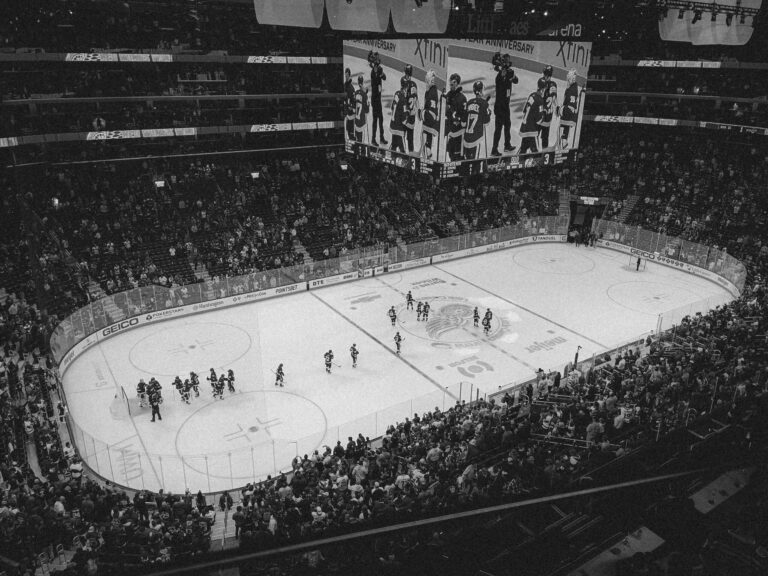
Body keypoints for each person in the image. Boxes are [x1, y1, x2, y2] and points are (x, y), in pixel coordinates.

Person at [491, 53, 518, 156]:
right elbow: (500, 81)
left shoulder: (509, 73)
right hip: (499, 106)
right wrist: (504, 75)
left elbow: (516, 80)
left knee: (508, 125)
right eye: (505, 63)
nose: (506, 66)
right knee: (498, 129)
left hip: (506, 105)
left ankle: (507, 145)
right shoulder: (499, 77)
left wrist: (512, 75)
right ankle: (494, 149)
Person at [463, 80, 491, 160]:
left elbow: (463, 123)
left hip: (466, 139)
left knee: (467, 163)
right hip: (476, 139)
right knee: (475, 163)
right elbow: (486, 123)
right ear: (481, 91)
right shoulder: (484, 104)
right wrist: (488, 113)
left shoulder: (469, 102)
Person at [520, 78, 547, 155]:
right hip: (532, 130)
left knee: (523, 150)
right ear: (543, 89)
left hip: (524, 128)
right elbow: (539, 121)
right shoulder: (540, 100)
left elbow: (524, 111)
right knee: (536, 153)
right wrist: (543, 113)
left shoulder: (531, 95)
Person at [443, 73, 467, 161]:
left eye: (452, 84)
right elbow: (445, 111)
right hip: (451, 131)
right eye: (450, 84)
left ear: (457, 83)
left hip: (459, 133)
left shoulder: (462, 98)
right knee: (451, 154)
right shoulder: (448, 95)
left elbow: (463, 117)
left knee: (458, 158)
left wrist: (457, 118)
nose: (450, 86)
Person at [420, 69, 440, 159]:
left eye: (426, 80)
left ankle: (427, 153)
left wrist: (421, 113)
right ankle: (428, 151)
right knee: (428, 138)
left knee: (424, 138)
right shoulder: (433, 90)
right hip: (432, 121)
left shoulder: (431, 92)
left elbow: (430, 112)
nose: (425, 82)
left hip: (430, 120)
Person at [538, 65, 559, 149]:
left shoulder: (541, 82)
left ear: (546, 74)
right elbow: (554, 99)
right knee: (545, 137)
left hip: (540, 114)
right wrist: (557, 107)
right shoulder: (554, 85)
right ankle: (544, 154)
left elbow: (538, 97)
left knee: (535, 134)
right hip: (548, 116)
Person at [368, 51, 387, 145]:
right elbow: (375, 81)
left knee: (381, 119)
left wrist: (381, 74)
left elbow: (385, 78)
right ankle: (373, 139)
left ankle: (381, 138)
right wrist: (377, 72)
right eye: (377, 58)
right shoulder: (373, 72)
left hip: (378, 99)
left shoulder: (379, 69)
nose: (379, 59)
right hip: (375, 100)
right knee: (376, 120)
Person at [559, 69, 580, 150]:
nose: (567, 81)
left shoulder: (569, 90)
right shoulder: (576, 87)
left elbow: (565, 101)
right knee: (566, 128)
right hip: (573, 112)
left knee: (562, 127)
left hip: (568, 110)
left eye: (568, 79)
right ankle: (564, 141)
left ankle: (563, 142)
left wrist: (561, 108)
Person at [389, 76, 409, 153]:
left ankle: (389, 161)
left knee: (393, 145)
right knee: (403, 149)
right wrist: (407, 115)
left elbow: (392, 107)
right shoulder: (403, 99)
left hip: (393, 125)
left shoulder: (396, 94)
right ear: (406, 87)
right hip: (399, 128)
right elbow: (404, 120)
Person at [402, 64, 418, 152]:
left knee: (402, 135)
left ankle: (402, 152)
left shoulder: (403, 81)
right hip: (412, 115)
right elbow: (416, 99)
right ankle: (411, 153)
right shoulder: (414, 84)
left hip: (405, 113)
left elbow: (403, 97)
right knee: (410, 137)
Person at [354, 74, 369, 143]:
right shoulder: (364, 95)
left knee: (357, 141)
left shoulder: (356, 93)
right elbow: (367, 110)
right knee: (362, 142)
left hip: (356, 121)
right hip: (362, 121)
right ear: (362, 82)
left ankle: (356, 152)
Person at [343, 68, 355, 141]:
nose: (346, 76)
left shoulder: (351, 87)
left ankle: (352, 138)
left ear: (349, 75)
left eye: (347, 75)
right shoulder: (345, 85)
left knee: (350, 127)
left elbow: (353, 99)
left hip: (350, 111)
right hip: (346, 109)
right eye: (345, 75)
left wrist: (351, 106)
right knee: (348, 127)